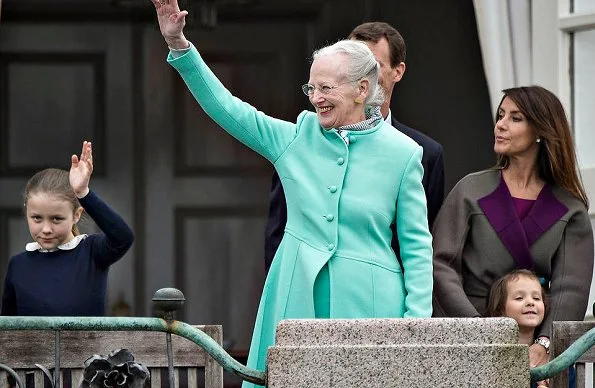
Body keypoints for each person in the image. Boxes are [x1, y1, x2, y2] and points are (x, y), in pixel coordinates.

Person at [149, 1, 433, 386]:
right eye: (311, 87)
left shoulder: (403, 153)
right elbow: (228, 108)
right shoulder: (297, 136)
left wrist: (415, 327)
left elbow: (417, 247)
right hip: (295, 294)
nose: (315, 97)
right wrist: (179, 45)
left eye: (326, 88)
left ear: (362, 89)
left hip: (371, 304)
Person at [432, 86, 594, 370]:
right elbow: (440, 264)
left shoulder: (570, 207)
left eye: (515, 118)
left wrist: (544, 344)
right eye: (501, 115)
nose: (500, 125)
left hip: (536, 351)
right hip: (469, 342)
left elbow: (571, 290)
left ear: (541, 131)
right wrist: (475, 329)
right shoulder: (470, 190)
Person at [264, 21, 445, 274]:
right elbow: (279, 228)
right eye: (355, 65)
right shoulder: (302, 139)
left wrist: (411, 309)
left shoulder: (423, 153)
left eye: (374, 65)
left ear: (398, 71)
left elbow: (420, 244)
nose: (364, 73)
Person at [1, 141, 134, 316]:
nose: (46, 229)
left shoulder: (92, 252)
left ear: (76, 215)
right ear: (26, 212)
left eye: (56, 219)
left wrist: (83, 193)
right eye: (37, 218)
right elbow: (8, 331)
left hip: (86, 344)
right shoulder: (18, 265)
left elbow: (123, 237)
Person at [487, 269, 574, 388]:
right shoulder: (491, 358)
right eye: (519, 298)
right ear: (500, 309)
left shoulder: (558, 361)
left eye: (537, 298)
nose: (530, 302)